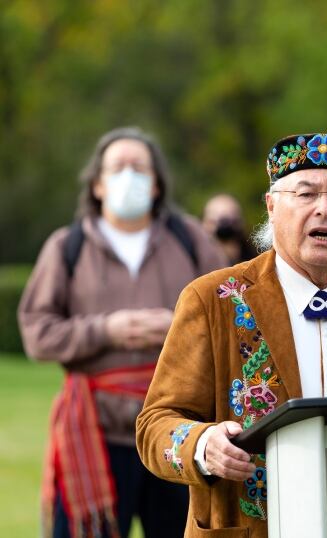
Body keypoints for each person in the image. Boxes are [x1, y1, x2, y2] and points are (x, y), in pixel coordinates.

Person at [135, 132, 327, 536]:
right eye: (306, 194)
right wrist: (204, 445)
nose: (325, 209)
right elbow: (155, 424)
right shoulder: (213, 299)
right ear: (272, 207)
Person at [17, 126, 227, 538]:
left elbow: (230, 312)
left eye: (139, 167)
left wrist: (178, 326)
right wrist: (106, 331)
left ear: (156, 184)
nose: (128, 175)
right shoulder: (66, 247)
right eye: (117, 167)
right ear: (97, 184)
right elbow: (37, 332)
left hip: (179, 431)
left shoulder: (191, 242)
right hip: (95, 433)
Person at [203, 193, 256, 264]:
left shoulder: (255, 262)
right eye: (213, 222)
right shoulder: (195, 263)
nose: (224, 228)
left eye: (233, 222)